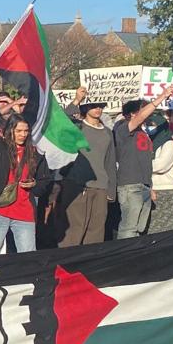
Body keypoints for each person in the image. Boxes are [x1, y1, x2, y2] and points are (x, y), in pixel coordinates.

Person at [0, 66, 52, 257]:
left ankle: (25, 287)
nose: (23, 135)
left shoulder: (34, 153)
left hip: (24, 213)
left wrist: (34, 184)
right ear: (10, 131)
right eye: (19, 131)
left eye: (26, 131)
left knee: (27, 259)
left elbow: (45, 182)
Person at [58, 88, 116, 247]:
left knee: (96, 230)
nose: (98, 109)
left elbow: (110, 161)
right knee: (74, 229)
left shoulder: (108, 132)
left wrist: (111, 189)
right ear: (85, 108)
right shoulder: (77, 127)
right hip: (78, 184)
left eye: (100, 106)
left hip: (101, 186)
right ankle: (67, 265)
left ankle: (90, 265)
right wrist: (77, 100)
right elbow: (60, 120)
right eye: (94, 106)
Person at [112, 90, 171, 239]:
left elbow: (145, 163)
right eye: (139, 111)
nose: (145, 114)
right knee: (129, 227)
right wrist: (161, 96)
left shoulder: (143, 133)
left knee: (140, 228)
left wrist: (149, 187)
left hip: (143, 185)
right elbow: (140, 117)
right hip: (130, 185)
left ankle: (132, 256)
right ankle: (123, 257)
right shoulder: (122, 129)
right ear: (130, 114)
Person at [148, 118, 173, 234]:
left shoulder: (169, 144)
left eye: (153, 125)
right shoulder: (148, 143)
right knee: (154, 227)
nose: (150, 128)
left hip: (167, 189)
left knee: (170, 226)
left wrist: (140, 166)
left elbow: (161, 165)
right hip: (153, 189)